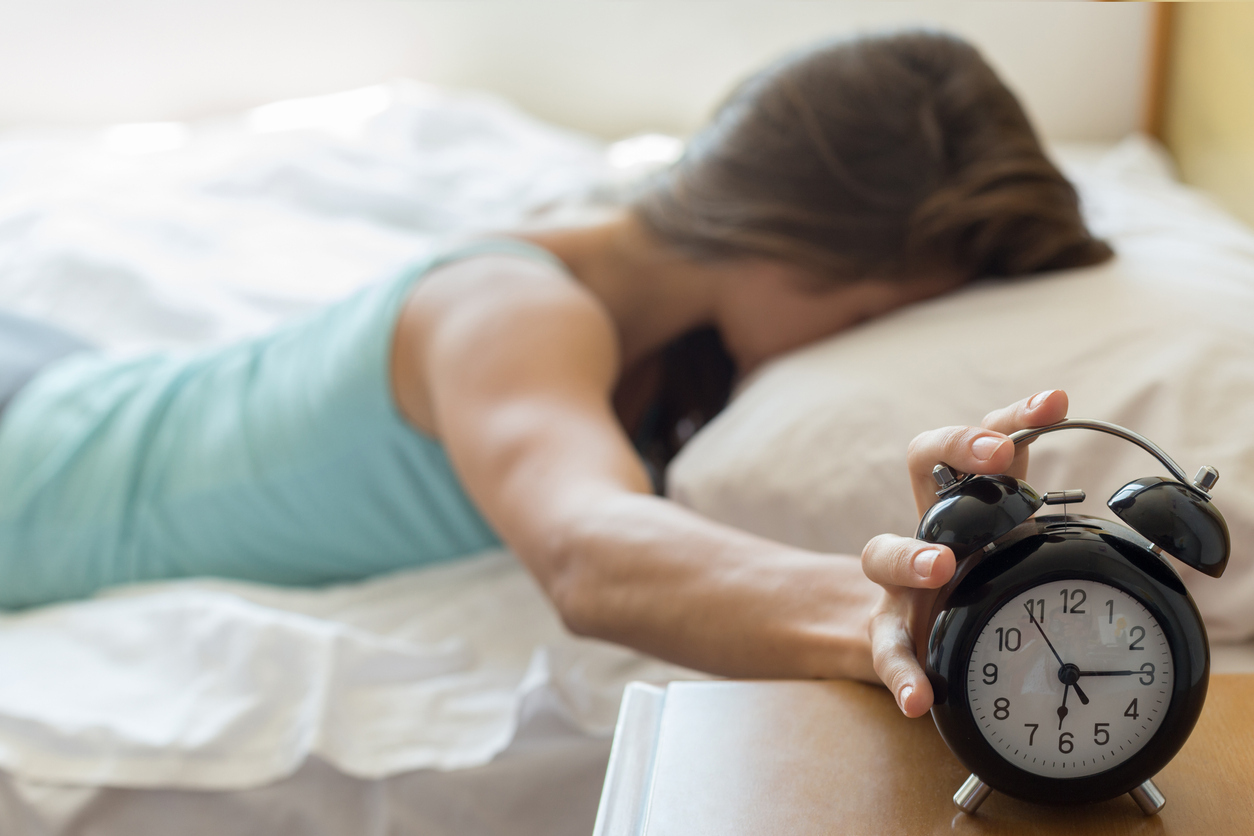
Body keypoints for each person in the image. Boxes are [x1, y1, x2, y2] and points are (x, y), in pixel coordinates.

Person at [0, 32, 1109, 697]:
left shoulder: (621, 290)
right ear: (804, 250)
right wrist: (887, 606)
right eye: (874, 314)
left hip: (74, 386)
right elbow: (589, 551)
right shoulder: (512, 311)